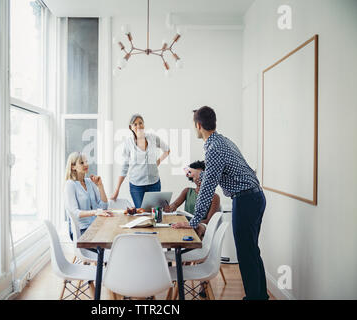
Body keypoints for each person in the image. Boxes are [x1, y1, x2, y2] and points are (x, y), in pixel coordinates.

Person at [172, 106, 269, 300]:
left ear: (198, 126)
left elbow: (208, 189)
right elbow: (219, 173)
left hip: (246, 200)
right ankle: (259, 297)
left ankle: (254, 298)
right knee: (252, 251)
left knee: (246, 254)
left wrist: (193, 222)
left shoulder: (214, 148)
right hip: (255, 197)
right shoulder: (223, 141)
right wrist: (202, 174)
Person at [110, 114, 171, 208]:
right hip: (137, 186)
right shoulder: (128, 143)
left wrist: (158, 162)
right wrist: (117, 189)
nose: (138, 126)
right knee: (141, 213)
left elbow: (167, 150)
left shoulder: (153, 138)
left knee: (155, 213)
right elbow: (124, 167)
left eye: (140, 123)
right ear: (131, 127)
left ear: (144, 124)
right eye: (135, 124)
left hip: (154, 183)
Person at [64, 152, 113, 240]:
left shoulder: (89, 182)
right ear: (73, 166)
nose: (86, 164)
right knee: (111, 240)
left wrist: (100, 186)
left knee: (115, 235)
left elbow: (104, 206)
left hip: (96, 225)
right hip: (82, 230)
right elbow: (74, 212)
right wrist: (95, 212)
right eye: (82, 163)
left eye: (86, 162)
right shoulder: (70, 184)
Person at [164, 160, 220, 225]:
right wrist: (169, 208)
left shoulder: (214, 197)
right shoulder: (187, 191)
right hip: (184, 226)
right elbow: (174, 205)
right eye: (195, 176)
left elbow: (209, 221)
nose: (198, 178)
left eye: (201, 175)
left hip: (200, 227)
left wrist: (189, 224)